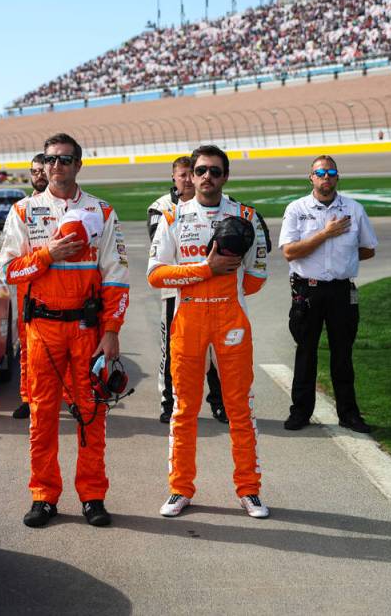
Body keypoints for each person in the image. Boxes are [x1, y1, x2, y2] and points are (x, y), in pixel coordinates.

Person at [0, 133, 129, 528]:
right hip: (42, 329)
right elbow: (5, 271)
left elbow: (117, 276)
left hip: (88, 331)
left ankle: (92, 495)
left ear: (79, 164)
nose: (57, 166)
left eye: (66, 159)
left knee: (92, 413)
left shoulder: (102, 212)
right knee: (43, 414)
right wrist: (46, 255)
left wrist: (112, 330)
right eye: (51, 159)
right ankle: (43, 494)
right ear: (44, 164)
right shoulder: (24, 211)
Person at [147, 145, 269, 519]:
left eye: (215, 171)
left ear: (225, 176)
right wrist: (206, 270)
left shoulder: (246, 216)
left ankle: (249, 490)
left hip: (231, 321)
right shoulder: (172, 215)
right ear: (191, 174)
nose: (207, 178)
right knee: (184, 408)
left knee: (240, 409)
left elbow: (257, 276)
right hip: (188, 321)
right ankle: (180, 488)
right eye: (201, 170)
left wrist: (223, 293)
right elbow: (155, 275)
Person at [279, 155, 377, 433]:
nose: (325, 177)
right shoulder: (297, 209)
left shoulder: (354, 209)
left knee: (342, 355)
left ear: (337, 177)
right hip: (307, 290)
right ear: (310, 177)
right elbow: (289, 251)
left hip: (341, 291)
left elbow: (369, 248)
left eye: (330, 172)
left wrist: (343, 258)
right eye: (319, 173)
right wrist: (325, 235)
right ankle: (300, 412)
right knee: (306, 353)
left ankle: (349, 414)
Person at [148, 157, 227, 425]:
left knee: (215, 352)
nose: (185, 179)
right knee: (172, 352)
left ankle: (219, 402)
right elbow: (160, 251)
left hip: (213, 292)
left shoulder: (219, 205)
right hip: (175, 292)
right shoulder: (161, 208)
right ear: (175, 178)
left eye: (188, 174)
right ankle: (169, 403)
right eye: (181, 175)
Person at [7, 153, 49, 419]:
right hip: (29, 289)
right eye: (35, 172)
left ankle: (68, 397)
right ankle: (28, 396)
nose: (39, 175)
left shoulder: (71, 207)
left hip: (65, 288)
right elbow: (11, 258)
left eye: (42, 170)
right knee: (27, 348)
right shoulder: (21, 208)